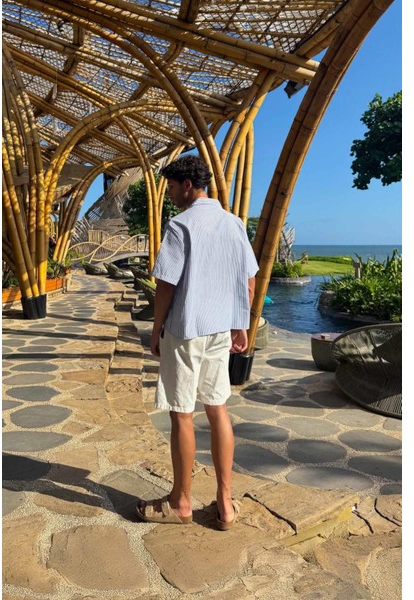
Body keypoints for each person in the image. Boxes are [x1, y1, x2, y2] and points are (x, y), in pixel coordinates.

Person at [136, 155, 258, 530]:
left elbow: (166, 284)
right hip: (220, 329)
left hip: (185, 329)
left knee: (182, 413)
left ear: (188, 185)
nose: (171, 194)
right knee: (218, 409)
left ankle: (181, 502)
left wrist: (156, 328)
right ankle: (225, 504)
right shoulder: (234, 224)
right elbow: (248, 279)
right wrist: (241, 324)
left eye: (172, 187)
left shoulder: (181, 225)